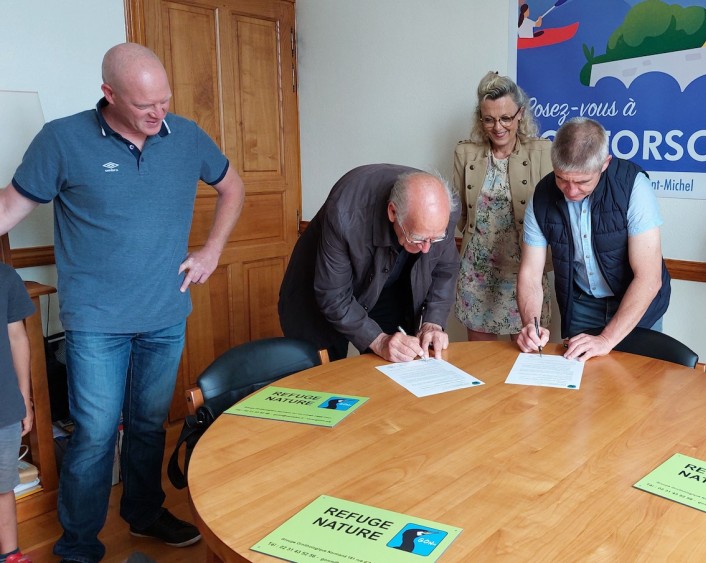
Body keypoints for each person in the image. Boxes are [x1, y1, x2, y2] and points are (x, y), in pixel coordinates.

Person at [0, 42, 245, 562]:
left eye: (165, 100)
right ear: (108, 94)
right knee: (92, 435)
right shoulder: (63, 140)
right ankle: (80, 545)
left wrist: (211, 250)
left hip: (165, 314)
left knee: (149, 425)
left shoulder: (185, 136)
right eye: (144, 104)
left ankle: (144, 513)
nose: (159, 113)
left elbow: (233, 187)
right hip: (95, 322)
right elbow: (8, 207)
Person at [516, 117, 671, 362]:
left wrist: (607, 340)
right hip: (582, 304)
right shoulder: (543, 195)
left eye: (582, 182)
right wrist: (530, 325)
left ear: (604, 164)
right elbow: (530, 276)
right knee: (583, 389)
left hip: (637, 304)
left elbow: (649, 279)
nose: (571, 191)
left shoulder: (633, 186)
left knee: (638, 388)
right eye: (562, 179)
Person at [278, 164, 459, 363]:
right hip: (321, 291)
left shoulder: (442, 211)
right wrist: (379, 341)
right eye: (417, 238)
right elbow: (333, 295)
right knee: (323, 374)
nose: (426, 249)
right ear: (392, 211)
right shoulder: (345, 211)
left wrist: (432, 323)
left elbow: (445, 269)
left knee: (398, 358)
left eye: (434, 239)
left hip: (387, 288)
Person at [453, 72, 554, 342]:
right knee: (481, 364)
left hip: (525, 273)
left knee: (527, 361)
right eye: (489, 119)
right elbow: (460, 214)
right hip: (478, 274)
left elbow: (555, 214)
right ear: (480, 118)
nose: (498, 127)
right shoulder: (465, 154)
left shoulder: (542, 153)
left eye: (506, 118)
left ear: (520, 114)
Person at [0, 266, 33, 563]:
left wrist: (25, 398)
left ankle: (10, 554)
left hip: (4, 409)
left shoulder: (6, 278)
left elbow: (18, 338)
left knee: (2, 486)